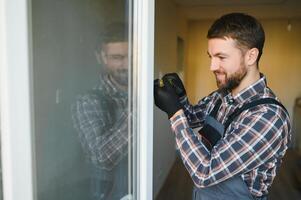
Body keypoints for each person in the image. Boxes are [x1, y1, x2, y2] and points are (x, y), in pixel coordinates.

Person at [154, 13, 291, 200]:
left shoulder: (268, 117)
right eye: (211, 56)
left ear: (251, 56)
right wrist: (180, 98)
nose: (212, 66)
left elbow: (205, 172)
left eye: (221, 57)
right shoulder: (223, 94)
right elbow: (193, 117)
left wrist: (175, 113)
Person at [71, 23, 130, 200]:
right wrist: (139, 109)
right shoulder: (88, 100)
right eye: (117, 57)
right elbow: (101, 157)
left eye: (132, 56)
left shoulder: (148, 91)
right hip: (109, 194)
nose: (126, 65)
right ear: (101, 57)